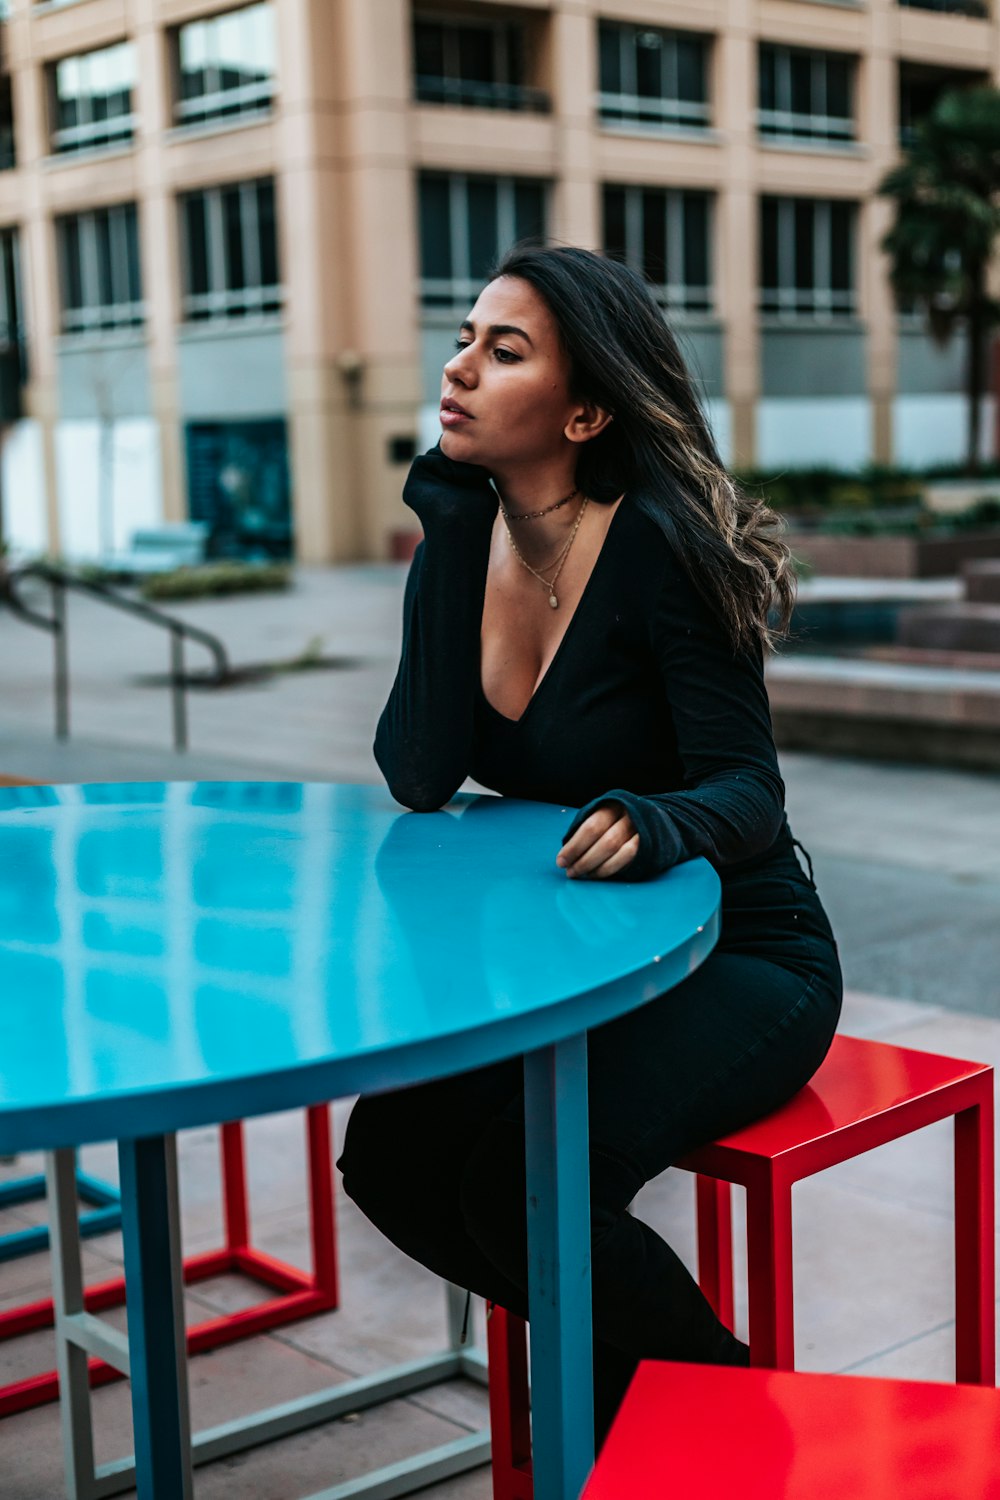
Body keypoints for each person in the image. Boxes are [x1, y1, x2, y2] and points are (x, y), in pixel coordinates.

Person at [336, 242, 843, 1448]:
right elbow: (418, 774)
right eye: (463, 339)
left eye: (502, 351)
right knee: (394, 1158)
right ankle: (635, 1390)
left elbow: (747, 788)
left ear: (583, 408)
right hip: (580, 968)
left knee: (521, 1191)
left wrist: (659, 819)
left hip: (741, 954)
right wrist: (450, 534)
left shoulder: (659, 543)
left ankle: (727, 1421)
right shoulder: (459, 540)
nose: (457, 367)